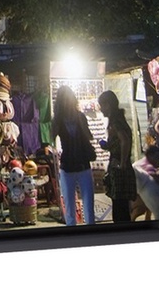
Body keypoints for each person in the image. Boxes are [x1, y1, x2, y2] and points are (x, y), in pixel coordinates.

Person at [51, 85, 96, 225]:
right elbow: (51, 138)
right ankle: (73, 234)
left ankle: (92, 234)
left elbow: (89, 136)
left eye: (68, 98)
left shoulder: (80, 116)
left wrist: (82, 128)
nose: (67, 102)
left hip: (83, 165)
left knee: (89, 206)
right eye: (64, 99)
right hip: (67, 166)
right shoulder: (58, 120)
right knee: (69, 209)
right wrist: (54, 125)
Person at [98, 90, 137, 222]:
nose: (101, 109)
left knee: (120, 207)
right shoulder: (119, 120)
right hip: (120, 167)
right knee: (121, 206)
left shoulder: (115, 122)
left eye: (102, 105)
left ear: (108, 105)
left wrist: (122, 163)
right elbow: (121, 141)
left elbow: (124, 140)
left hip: (119, 169)